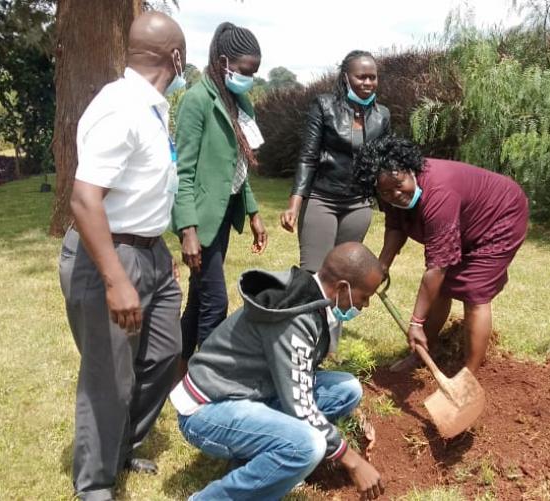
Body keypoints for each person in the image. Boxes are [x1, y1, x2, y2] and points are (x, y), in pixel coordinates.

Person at [58, 12, 186, 501]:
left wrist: (159, 251)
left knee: (164, 353)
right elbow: (84, 199)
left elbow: (144, 188)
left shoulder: (154, 106)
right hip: (108, 256)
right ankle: (94, 484)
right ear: (175, 56)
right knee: (107, 375)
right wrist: (116, 279)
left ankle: (121, 442)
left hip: (150, 252)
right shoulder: (121, 107)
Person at [170, 242, 385, 501]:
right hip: (207, 408)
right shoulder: (296, 317)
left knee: (346, 390)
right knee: (307, 447)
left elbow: (300, 379)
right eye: (364, 297)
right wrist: (352, 460)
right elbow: (301, 408)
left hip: (248, 391)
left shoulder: (310, 295)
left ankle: (257, 462)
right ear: (342, 287)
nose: (366, 305)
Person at [353, 135, 529, 375]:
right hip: (465, 218)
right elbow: (396, 226)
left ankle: (469, 374)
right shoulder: (388, 189)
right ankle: (423, 354)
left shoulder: (439, 193)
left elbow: (437, 268)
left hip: (500, 216)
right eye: (385, 192)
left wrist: (415, 322)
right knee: (441, 288)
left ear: (409, 170)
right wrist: (381, 267)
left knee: (474, 291)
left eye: (399, 184)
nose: (395, 194)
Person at [172, 22, 268, 367]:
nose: (250, 78)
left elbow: (237, 165)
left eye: (255, 72)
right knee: (215, 301)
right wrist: (188, 230)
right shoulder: (197, 102)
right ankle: (207, 380)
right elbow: (182, 173)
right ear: (224, 61)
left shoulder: (238, 101)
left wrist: (253, 213)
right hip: (201, 219)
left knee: (199, 298)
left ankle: (180, 368)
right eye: (246, 70)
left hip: (224, 212)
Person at [280, 50, 390, 272]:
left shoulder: (383, 116)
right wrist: (294, 204)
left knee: (344, 273)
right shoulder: (324, 106)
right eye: (362, 77)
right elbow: (308, 158)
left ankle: (338, 309)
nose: (368, 82)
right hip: (322, 199)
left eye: (373, 77)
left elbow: (384, 163)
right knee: (314, 272)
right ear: (346, 77)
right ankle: (310, 308)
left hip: (358, 204)